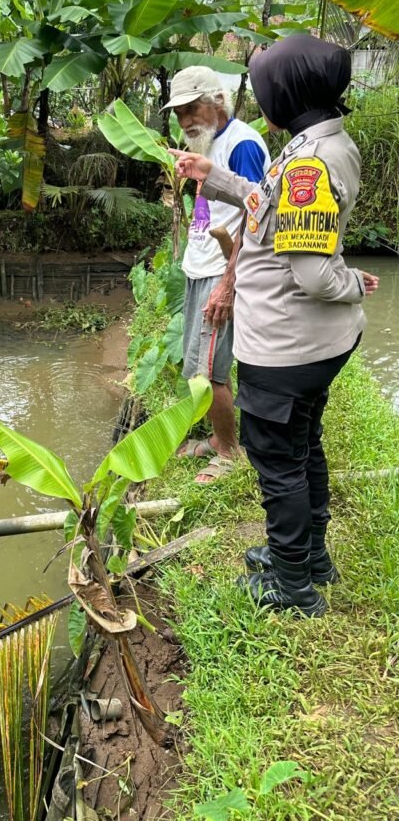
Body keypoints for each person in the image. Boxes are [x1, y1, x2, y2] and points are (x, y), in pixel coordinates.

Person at [169, 34, 379, 617]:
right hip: (306, 341)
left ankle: (292, 585)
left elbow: (313, 274)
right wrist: (215, 177)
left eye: (266, 91)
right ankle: (309, 557)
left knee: (278, 460)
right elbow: (272, 206)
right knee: (302, 446)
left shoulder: (309, 163)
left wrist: (350, 283)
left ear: (288, 94)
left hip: (286, 346)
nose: (262, 101)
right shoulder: (317, 145)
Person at [163, 66, 270, 484]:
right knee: (199, 366)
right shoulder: (209, 144)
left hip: (221, 272)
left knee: (211, 372)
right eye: (179, 113)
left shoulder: (243, 144)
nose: (185, 120)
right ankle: (217, 438)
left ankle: (228, 452)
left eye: (192, 109)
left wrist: (228, 284)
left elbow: (256, 219)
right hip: (200, 267)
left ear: (218, 102)